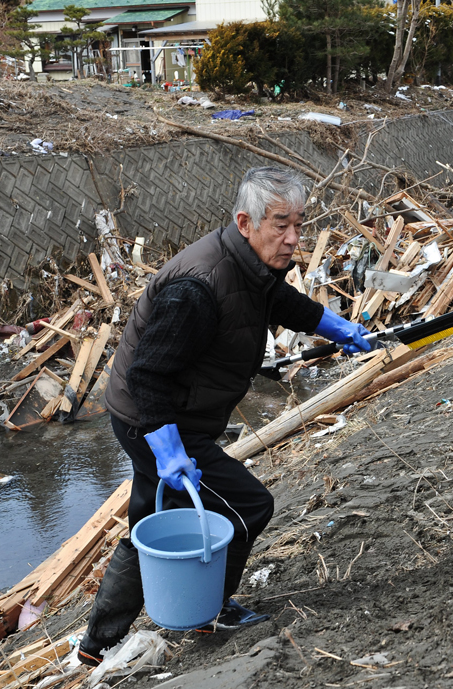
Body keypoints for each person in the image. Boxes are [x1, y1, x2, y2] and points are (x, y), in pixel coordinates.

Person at [78, 166, 372, 666]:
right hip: (155, 419)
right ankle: (210, 609)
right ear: (245, 222)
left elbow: (279, 300)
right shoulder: (196, 288)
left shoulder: (249, 266)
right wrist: (168, 452)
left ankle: (96, 645)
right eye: (281, 224)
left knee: (150, 519)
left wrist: (333, 325)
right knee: (248, 507)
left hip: (171, 413)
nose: (294, 238)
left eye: (299, 224)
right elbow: (148, 376)